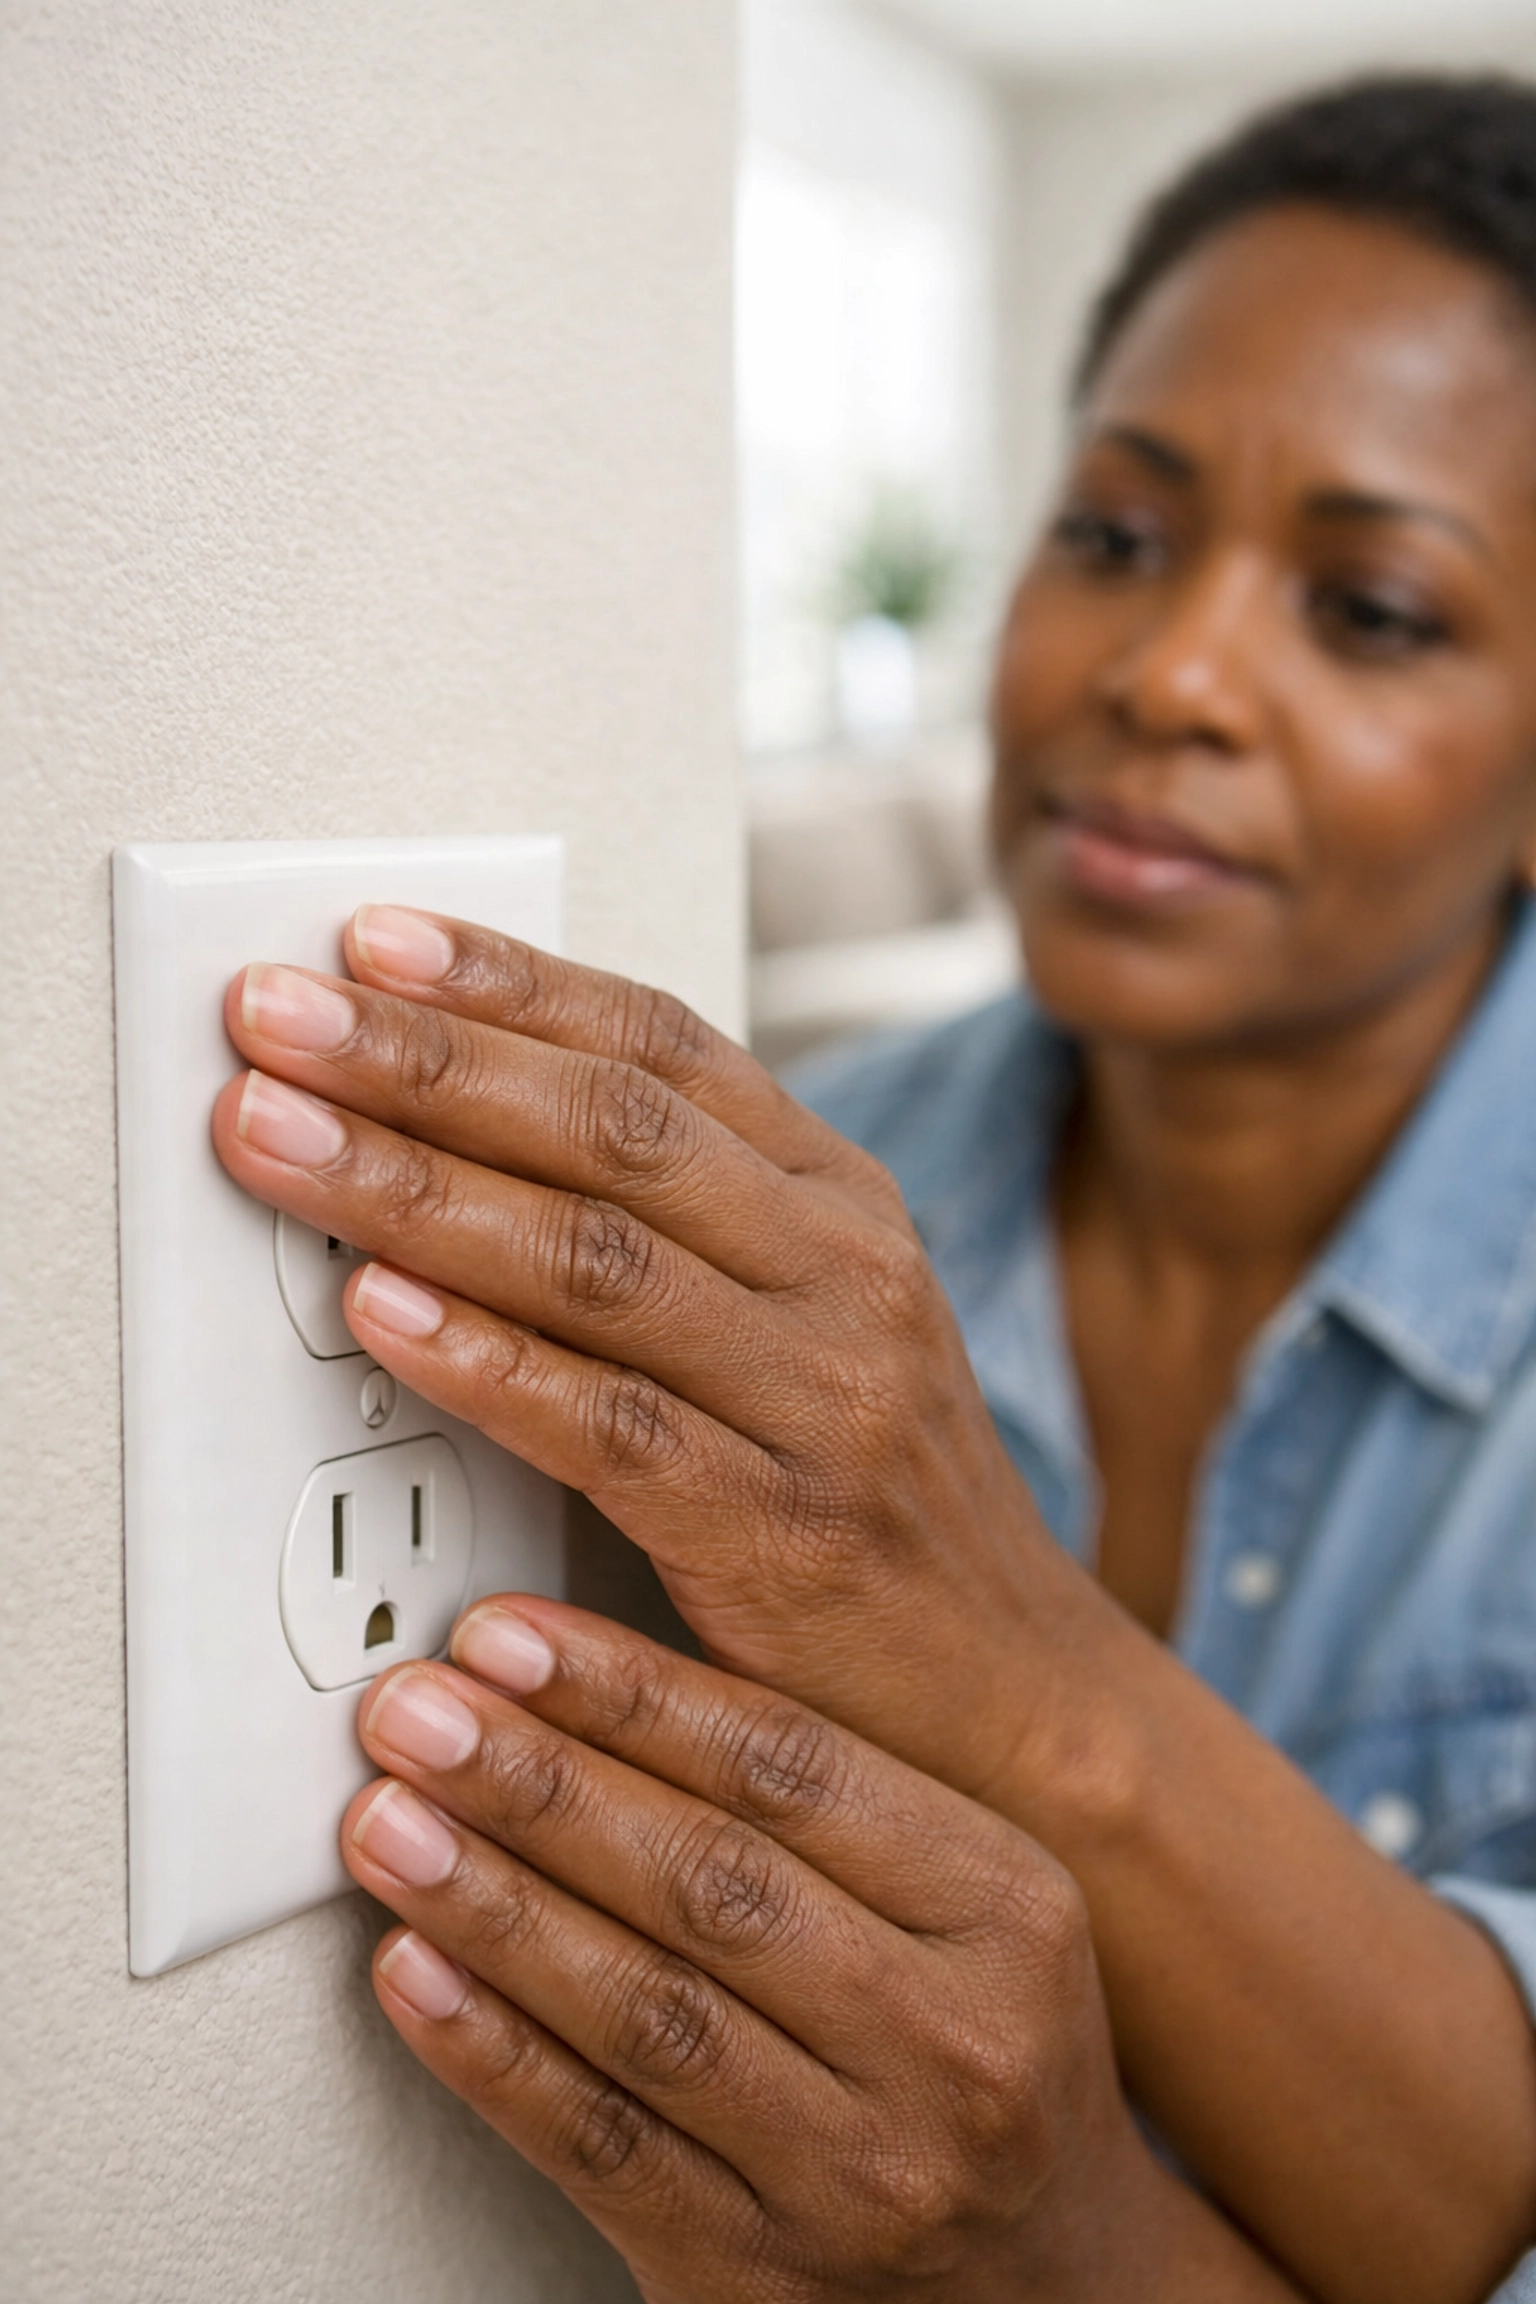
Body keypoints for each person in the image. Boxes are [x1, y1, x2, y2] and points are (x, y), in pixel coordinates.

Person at [211, 75, 1536, 2303]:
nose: (1170, 673)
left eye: (1374, 611)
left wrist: (1007, 1659)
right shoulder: (815, 1195)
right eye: (1114, 537)